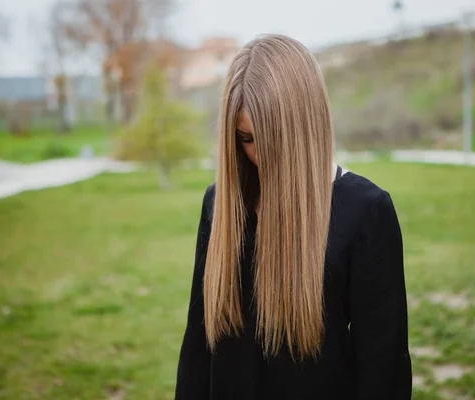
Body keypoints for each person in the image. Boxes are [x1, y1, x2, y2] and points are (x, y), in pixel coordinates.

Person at [175, 34, 411, 400]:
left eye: (272, 139)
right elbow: (197, 347)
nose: (260, 155)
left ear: (304, 125)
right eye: (246, 138)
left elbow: (384, 369)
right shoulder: (220, 204)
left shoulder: (366, 211)